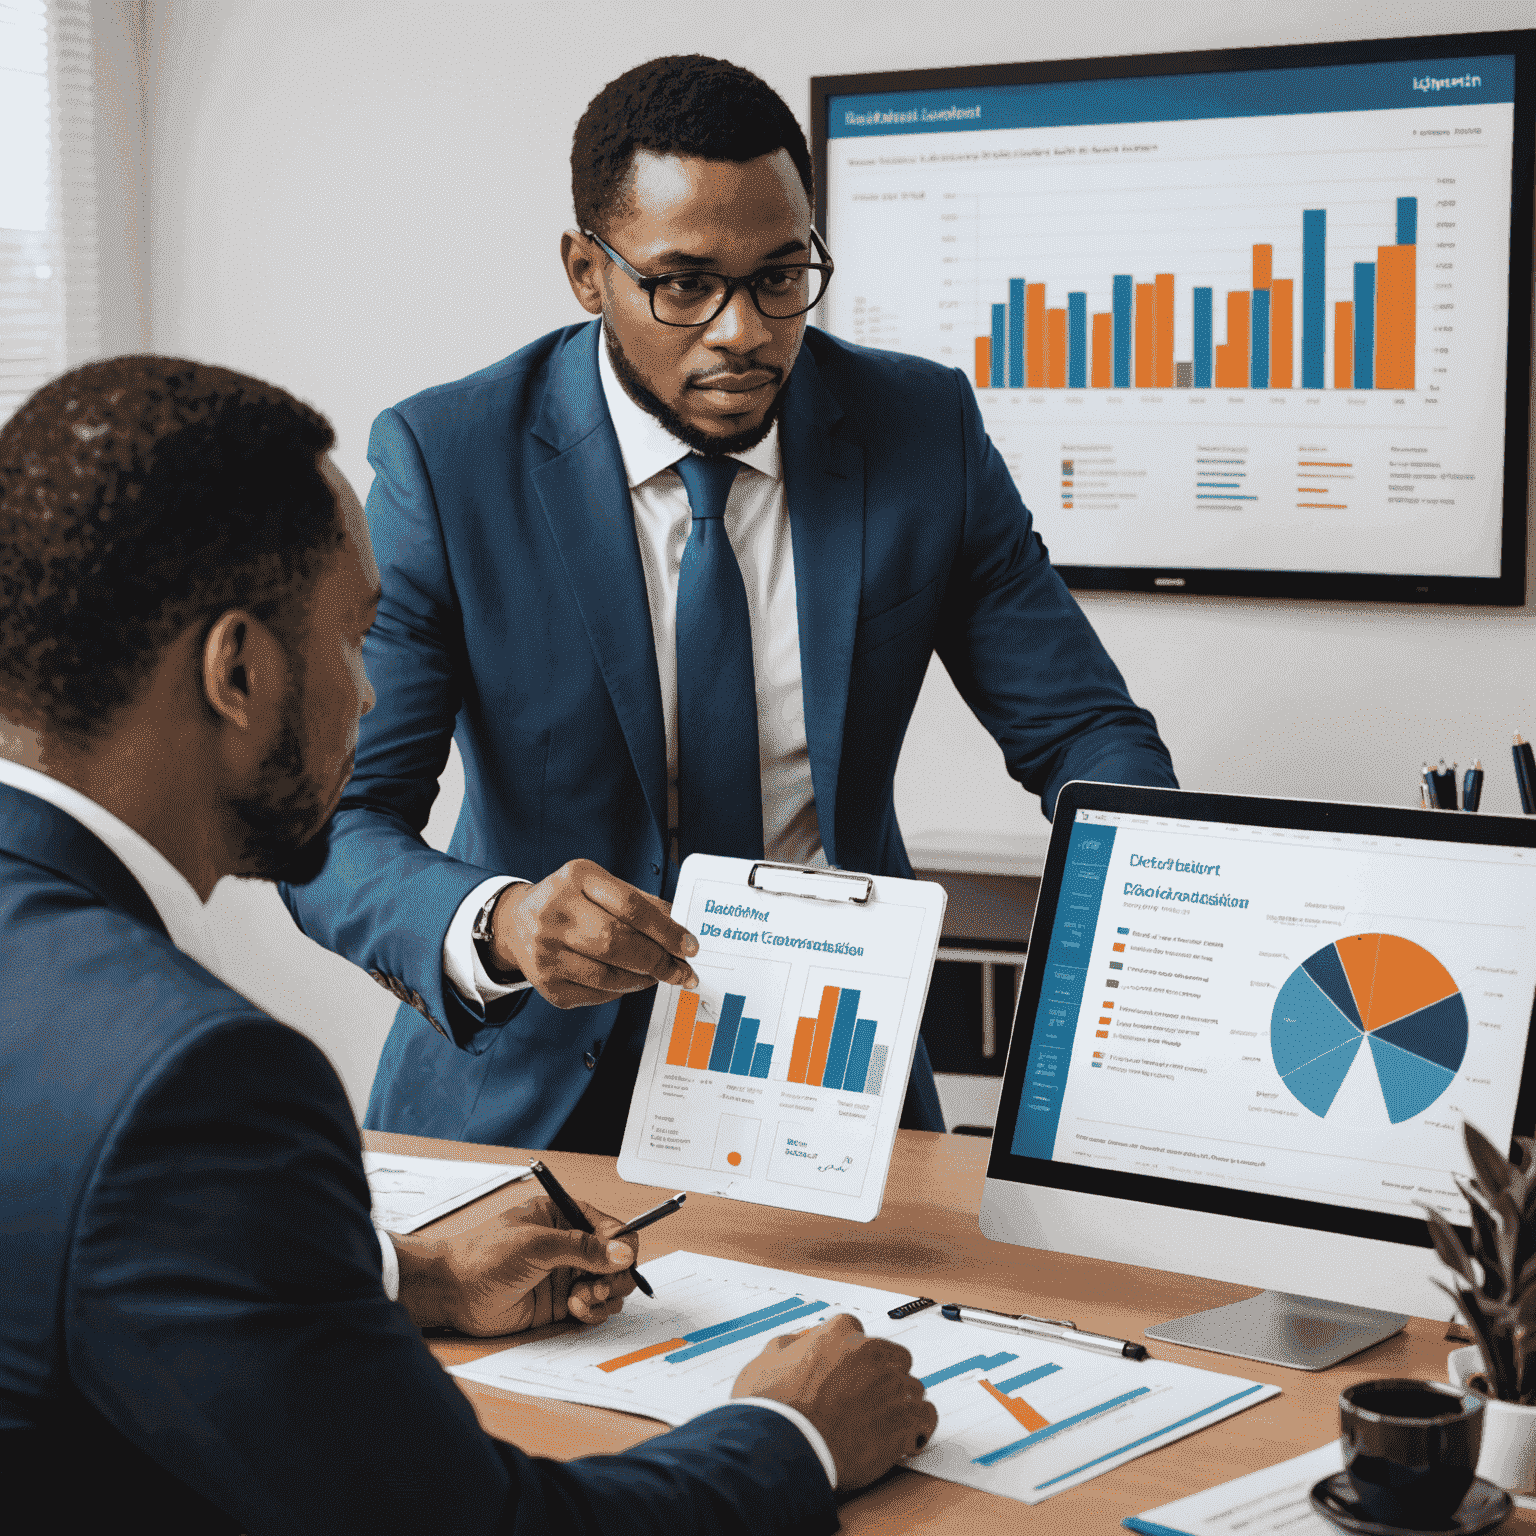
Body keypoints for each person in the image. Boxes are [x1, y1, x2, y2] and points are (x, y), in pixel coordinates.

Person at [0, 355, 937, 1533]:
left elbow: (81, 1259)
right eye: (353, 644)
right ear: (237, 672)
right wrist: (791, 1434)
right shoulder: (196, 1084)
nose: (374, 699)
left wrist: (409, 1277)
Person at [283, 53, 1177, 1156]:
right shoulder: (450, 462)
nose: (744, 332)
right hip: (531, 1093)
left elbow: (1081, 727)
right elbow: (336, 825)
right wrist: (506, 922)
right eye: (685, 284)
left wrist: (1167, 897)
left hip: (834, 1074)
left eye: (780, 276)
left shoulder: (918, 429)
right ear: (585, 270)